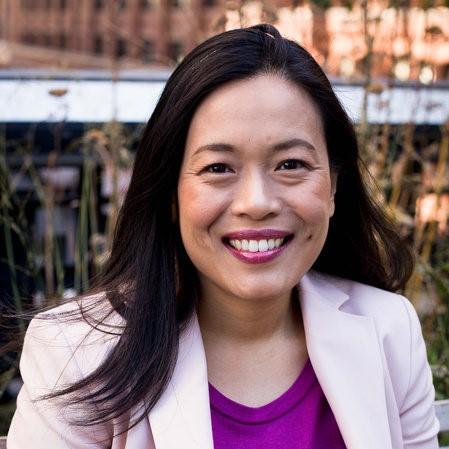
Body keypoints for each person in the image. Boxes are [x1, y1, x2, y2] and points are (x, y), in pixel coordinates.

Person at [7, 24, 440, 449]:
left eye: (290, 164)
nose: (256, 202)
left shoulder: (388, 331)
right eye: (218, 168)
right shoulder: (75, 355)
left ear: (333, 188)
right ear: (171, 194)